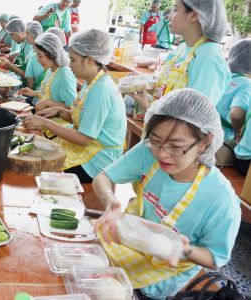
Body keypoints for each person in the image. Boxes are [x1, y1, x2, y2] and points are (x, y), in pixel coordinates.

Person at [93, 88, 241, 299]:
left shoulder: (221, 201)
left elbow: (214, 258)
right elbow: (103, 178)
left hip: (161, 280)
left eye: (175, 146)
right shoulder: (147, 153)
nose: (162, 154)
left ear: (205, 142)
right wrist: (109, 200)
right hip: (127, 245)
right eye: (156, 141)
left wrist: (184, 249)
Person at [23, 29, 126, 183]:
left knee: (41, 169)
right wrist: (59, 111)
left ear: (90, 60)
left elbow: (84, 138)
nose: (69, 65)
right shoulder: (90, 83)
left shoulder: (102, 90)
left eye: (73, 60)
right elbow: (81, 118)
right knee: (37, 151)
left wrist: (45, 123)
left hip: (98, 160)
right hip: (88, 148)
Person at [129, 0, 231, 112]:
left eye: (176, 9)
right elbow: (167, 89)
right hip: (159, 126)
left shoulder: (208, 59)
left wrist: (147, 106)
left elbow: (191, 119)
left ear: (193, 15)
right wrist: (142, 84)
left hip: (169, 128)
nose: (169, 16)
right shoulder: (181, 48)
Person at [19, 32, 78, 111]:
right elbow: (48, 93)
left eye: (40, 56)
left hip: (58, 122)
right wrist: (33, 92)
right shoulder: (51, 70)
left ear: (52, 53)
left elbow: (72, 107)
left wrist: (48, 103)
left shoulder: (64, 74)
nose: (38, 60)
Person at [216, 39, 251, 143]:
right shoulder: (245, 84)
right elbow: (236, 115)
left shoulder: (219, 73)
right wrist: (238, 132)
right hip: (221, 137)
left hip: (199, 125)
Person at [0, 21, 43, 85]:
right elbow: (27, 68)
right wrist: (14, 66)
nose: (25, 35)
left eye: (27, 33)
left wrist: (11, 66)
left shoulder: (37, 55)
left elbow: (29, 77)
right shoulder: (33, 50)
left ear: (34, 34)